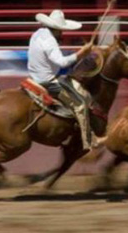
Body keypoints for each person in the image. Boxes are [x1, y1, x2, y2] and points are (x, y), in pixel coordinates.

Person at [27, 9, 96, 153]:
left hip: (34, 76)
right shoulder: (51, 41)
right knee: (81, 105)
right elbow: (62, 63)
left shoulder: (38, 33)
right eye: (61, 31)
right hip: (48, 81)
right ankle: (88, 141)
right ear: (57, 30)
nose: (62, 34)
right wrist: (81, 54)